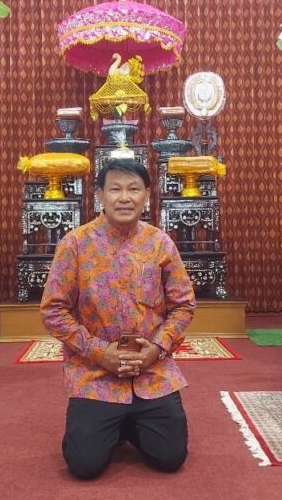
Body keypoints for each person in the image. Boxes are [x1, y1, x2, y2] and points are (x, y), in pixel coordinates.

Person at [40, 158, 196, 480]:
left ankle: (127, 425)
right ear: (100, 195)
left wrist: (157, 348)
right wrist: (100, 353)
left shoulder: (160, 243)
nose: (124, 198)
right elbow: (53, 310)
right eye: (115, 189)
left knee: (170, 458)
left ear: (147, 195)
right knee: (85, 466)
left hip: (151, 372)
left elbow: (183, 305)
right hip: (96, 374)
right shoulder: (75, 244)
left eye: (133, 189)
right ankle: (105, 425)